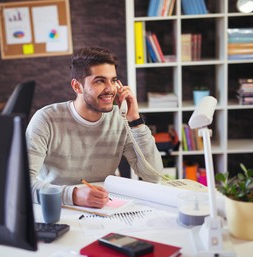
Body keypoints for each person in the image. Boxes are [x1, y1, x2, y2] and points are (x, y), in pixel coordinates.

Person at [26, 47, 163, 209]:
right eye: (100, 81)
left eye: (113, 80)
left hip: (103, 207)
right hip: (58, 206)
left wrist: (135, 121)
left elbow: (153, 176)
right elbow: (22, 183)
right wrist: (75, 195)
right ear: (77, 87)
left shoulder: (120, 119)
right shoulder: (46, 119)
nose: (110, 89)